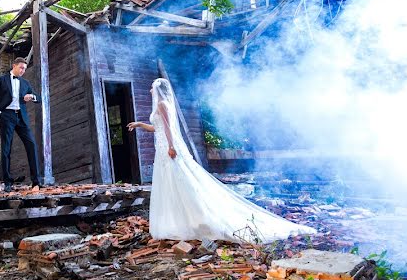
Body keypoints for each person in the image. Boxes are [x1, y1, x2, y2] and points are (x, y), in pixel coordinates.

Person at [127, 78, 314, 243]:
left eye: (152, 88)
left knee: (180, 181)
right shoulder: (160, 105)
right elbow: (157, 128)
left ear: (159, 90)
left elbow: (169, 129)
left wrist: (171, 146)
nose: (150, 91)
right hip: (162, 149)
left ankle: (197, 218)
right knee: (170, 182)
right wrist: (139, 124)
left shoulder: (162, 105)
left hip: (168, 147)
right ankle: (178, 220)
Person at [0, 57, 41, 192]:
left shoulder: (25, 83)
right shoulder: (2, 80)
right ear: (14, 66)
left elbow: (37, 97)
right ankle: (7, 182)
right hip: (7, 116)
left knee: (32, 145)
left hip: (21, 117)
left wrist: (31, 97)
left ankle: (36, 182)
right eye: (21, 68)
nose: (23, 71)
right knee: (6, 149)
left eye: (25, 69)